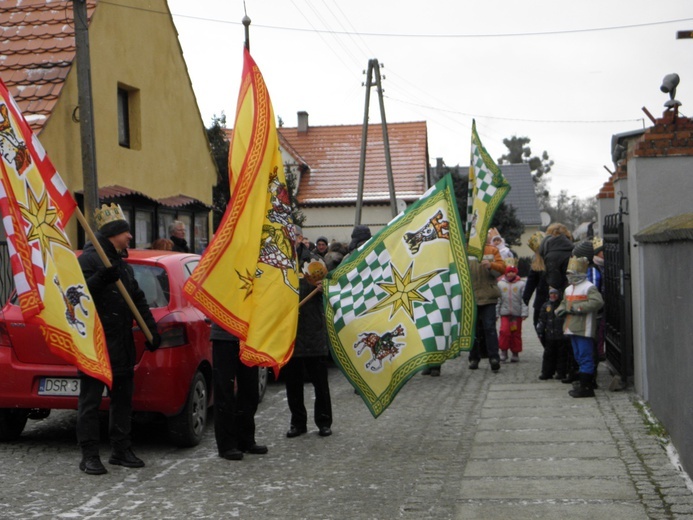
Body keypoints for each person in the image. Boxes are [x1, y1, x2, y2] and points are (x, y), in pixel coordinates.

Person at [77, 204, 161, 475]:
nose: (130, 238)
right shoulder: (88, 261)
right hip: (95, 343)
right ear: (114, 234)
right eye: (126, 233)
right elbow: (74, 296)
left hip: (122, 342)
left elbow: (137, 299)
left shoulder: (122, 265)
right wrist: (101, 278)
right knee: (90, 401)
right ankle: (89, 455)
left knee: (123, 399)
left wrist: (151, 330)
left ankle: (120, 450)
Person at [284, 225, 333, 438]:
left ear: (300, 238)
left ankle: (323, 422)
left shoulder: (313, 262)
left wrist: (325, 288)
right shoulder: (277, 264)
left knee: (319, 382)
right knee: (293, 383)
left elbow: (331, 290)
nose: (289, 240)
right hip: (289, 331)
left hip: (312, 330)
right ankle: (298, 423)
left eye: (292, 236)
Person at [210, 323, 267, 460]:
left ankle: (246, 440)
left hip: (248, 336)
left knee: (250, 390)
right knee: (224, 391)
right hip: (223, 336)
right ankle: (226, 445)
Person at [556, 256, 604, 398]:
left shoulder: (588, 287)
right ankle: (583, 383)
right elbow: (564, 303)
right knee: (578, 356)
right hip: (571, 327)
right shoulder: (569, 289)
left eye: (572, 273)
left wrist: (576, 308)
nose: (569, 276)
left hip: (584, 327)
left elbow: (597, 302)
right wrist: (559, 310)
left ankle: (587, 387)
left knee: (585, 357)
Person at [467, 238, 505, 372]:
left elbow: (501, 269)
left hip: (488, 295)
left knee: (489, 328)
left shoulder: (492, 250)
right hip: (471, 296)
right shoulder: (464, 250)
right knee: (473, 329)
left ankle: (494, 358)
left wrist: (491, 266)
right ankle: (474, 358)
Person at [536, 287, 571, 380]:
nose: (553, 295)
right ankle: (547, 372)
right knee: (548, 355)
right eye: (551, 293)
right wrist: (540, 331)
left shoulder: (562, 305)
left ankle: (561, 372)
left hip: (561, 335)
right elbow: (542, 320)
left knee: (562, 355)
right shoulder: (546, 305)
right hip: (550, 335)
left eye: (555, 294)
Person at [496, 264, 528, 363]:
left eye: (513, 272)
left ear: (516, 272)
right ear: (506, 272)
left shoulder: (521, 284)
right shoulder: (500, 284)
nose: (511, 274)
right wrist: (496, 313)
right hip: (505, 313)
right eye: (509, 271)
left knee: (516, 333)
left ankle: (515, 352)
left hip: (516, 314)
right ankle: (503, 351)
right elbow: (498, 300)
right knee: (504, 332)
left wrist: (524, 312)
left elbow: (524, 300)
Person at [522, 231, 548, 347]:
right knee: (538, 324)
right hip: (542, 299)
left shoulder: (551, 258)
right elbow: (531, 281)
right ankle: (547, 347)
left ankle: (549, 348)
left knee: (542, 324)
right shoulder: (536, 262)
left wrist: (525, 299)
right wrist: (525, 299)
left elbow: (531, 281)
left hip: (549, 298)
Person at [538, 223, 574, 296]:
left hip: (555, 295)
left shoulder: (549, 255)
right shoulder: (574, 250)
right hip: (573, 293)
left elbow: (554, 282)